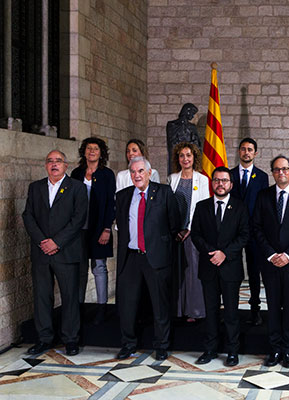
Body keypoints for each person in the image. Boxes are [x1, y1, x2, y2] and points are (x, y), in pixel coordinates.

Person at [22, 150, 88, 356]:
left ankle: (71, 339)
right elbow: (28, 216)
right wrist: (42, 241)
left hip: (66, 251)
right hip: (41, 251)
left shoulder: (77, 187)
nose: (54, 164)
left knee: (70, 297)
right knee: (42, 296)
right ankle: (44, 339)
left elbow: (79, 218)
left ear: (66, 165)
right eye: (50, 161)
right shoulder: (35, 188)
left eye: (58, 161)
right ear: (46, 165)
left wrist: (57, 242)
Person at [115, 156, 180, 361]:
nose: (137, 175)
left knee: (160, 305)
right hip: (131, 258)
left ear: (149, 173)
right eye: (133, 172)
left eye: (141, 171)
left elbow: (174, 224)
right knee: (127, 305)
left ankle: (161, 345)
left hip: (156, 258)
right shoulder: (123, 196)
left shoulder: (164, 192)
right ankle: (128, 344)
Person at [253, 155, 289, 368]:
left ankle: (287, 350)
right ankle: (274, 349)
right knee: (272, 306)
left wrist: (288, 255)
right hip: (270, 262)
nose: (281, 173)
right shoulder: (263, 196)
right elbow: (257, 227)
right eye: (277, 169)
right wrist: (271, 254)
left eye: (285, 169)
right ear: (272, 172)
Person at [191, 167, 250, 367]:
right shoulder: (202, 206)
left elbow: (244, 235)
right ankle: (210, 349)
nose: (220, 184)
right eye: (216, 180)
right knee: (211, 311)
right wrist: (212, 253)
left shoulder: (240, 207)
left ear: (231, 184)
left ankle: (233, 351)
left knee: (231, 313)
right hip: (208, 266)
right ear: (212, 183)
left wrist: (225, 253)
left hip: (230, 268)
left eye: (224, 180)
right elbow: (196, 234)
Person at [71, 137, 116, 325]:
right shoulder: (76, 173)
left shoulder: (107, 174)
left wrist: (107, 228)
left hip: (99, 228)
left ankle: (102, 308)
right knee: (79, 269)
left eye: (95, 148)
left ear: (101, 152)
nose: (92, 151)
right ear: (84, 151)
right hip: (79, 230)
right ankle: (78, 307)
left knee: (99, 267)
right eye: (88, 148)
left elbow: (111, 203)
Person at [168, 142, 210, 321]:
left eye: (188, 155)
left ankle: (194, 311)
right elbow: (168, 206)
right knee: (176, 272)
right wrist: (175, 230)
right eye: (181, 156)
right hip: (174, 233)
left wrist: (189, 229)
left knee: (193, 272)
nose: (185, 159)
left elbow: (203, 207)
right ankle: (178, 310)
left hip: (193, 232)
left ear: (194, 158)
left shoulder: (203, 179)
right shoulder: (172, 179)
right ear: (177, 159)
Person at [229, 138, 269, 326]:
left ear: (255, 153)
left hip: (254, 231)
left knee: (254, 271)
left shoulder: (262, 177)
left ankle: (255, 310)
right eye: (243, 149)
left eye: (250, 149)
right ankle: (231, 309)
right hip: (234, 230)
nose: (246, 152)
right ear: (239, 151)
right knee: (233, 271)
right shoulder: (229, 175)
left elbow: (263, 204)